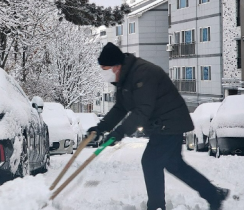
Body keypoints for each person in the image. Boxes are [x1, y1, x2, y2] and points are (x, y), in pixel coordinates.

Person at [87, 42, 229, 210]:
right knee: (175, 165)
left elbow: (142, 111)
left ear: (116, 66)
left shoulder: (142, 73)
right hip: (163, 123)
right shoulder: (125, 78)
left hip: (169, 122)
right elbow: (120, 108)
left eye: (105, 69)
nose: (104, 73)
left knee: (150, 162)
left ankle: (156, 206)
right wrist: (100, 128)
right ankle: (213, 194)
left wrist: (119, 133)